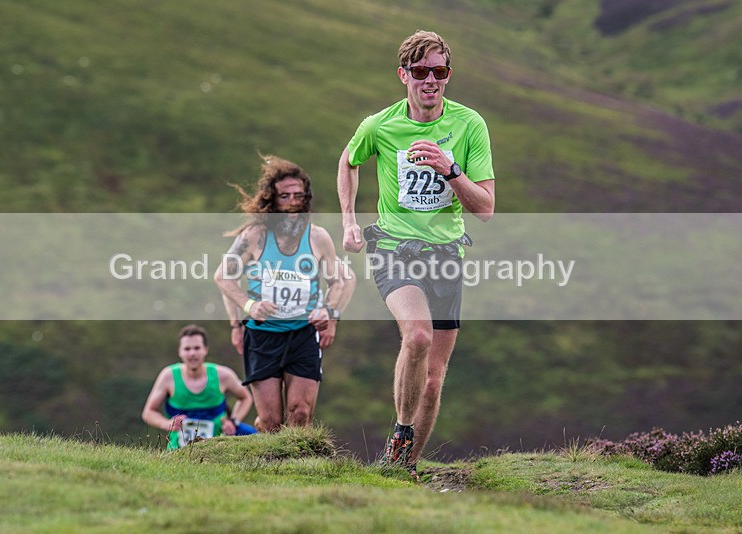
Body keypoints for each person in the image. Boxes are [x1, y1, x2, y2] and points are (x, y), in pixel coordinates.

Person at [337, 30, 495, 479]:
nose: (431, 80)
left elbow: (485, 209)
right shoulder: (380, 125)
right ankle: (401, 433)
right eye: (421, 71)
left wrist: (450, 169)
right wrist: (349, 220)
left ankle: (402, 469)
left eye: (439, 71)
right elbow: (348, 160)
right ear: (403, 75)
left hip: (446, 255)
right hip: (394, 248)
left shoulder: (470, 125)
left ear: (448, 75)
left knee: (432, 379)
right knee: (419, 336)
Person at [214, 155, 348, 433]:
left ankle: (301, 462)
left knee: (300, 413)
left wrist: (328, 311)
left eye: (298, 196)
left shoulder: (318, 237)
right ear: (272, 201)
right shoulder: (254, 236)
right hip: (263, 336)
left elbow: (337, 282)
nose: (292, 203)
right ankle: (264, 453)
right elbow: (223, 276)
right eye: (284, 196)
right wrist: (249, 306)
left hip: (303, 334)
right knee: (271, 422)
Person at [142, 324, 256, 449]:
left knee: (256, 436)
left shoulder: (223, 375)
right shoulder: (168, 377)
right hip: (178, 450)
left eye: (197, 348)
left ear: (205, 349)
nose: (192, 353)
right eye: (187, 349)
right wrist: (167, 424)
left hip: (219, 448)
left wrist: (233, 421)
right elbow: (148, 412)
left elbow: (246, 397)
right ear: (180, 352)